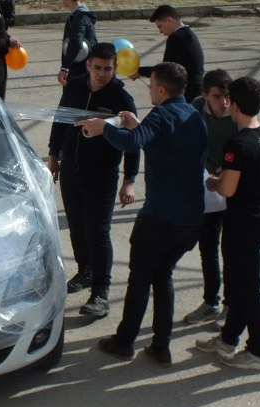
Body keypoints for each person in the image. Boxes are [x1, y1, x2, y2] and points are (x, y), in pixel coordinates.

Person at [79, 62, 207, 367]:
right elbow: (159, 140)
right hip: (191, 219)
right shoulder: (194, 115)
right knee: (163, 276)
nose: (148, 89)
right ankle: (161, 345)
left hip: (160, 218)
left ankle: (124, 341)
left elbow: (133, 142)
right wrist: (137, 124)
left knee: (140, 279)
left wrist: (103, 128)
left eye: (151, 86)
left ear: (161, 90)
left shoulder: (161, 114)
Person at [195, 76, 260, 371]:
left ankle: (258, 351)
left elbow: (226, 191)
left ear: (235, 105)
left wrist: (214, 182)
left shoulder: (236, 144)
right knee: (237, 281)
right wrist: (255, 187)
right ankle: (228, 338)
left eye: (228, 100)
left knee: (247, 288)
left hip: (242, 223)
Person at [47, 43, 140, 318]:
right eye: (97, 67)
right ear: (88, 65)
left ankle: (101, 291)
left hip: (102, 175)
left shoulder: (121, 99)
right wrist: (54, 156)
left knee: (97, 232)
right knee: (76, 226)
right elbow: (60, 121)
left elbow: (133, 141)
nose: (101, 74)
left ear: (114, 68)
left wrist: (129, 180)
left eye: (107, 69)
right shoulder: (74, 87)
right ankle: (85, 271)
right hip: (72, 170)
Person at [183, 69, 238, 326]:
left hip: (234, 185)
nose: (223, 102)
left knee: (232, 249)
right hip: (208, 187)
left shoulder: (238, 113)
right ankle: (211, 301)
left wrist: (228, 171)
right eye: (217, 96)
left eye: (226, 96)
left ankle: (231, 304)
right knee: (208, 247)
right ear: (205, 95)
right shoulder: (195, 108)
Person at [132, 5, 204, 102]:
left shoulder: (176, 38)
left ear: (169, 20)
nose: (160, 31)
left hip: (187, 96)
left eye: (160, 26)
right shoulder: (188, 34)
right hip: (196, 94)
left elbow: (165, 71)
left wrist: (139, 71)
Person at [57, 0, 97, 86]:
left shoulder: (80, 17)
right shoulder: (78, 15)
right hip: (81, 68)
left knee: (73, 98)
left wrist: (65, 68)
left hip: (80, 71)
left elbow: (76, 43)